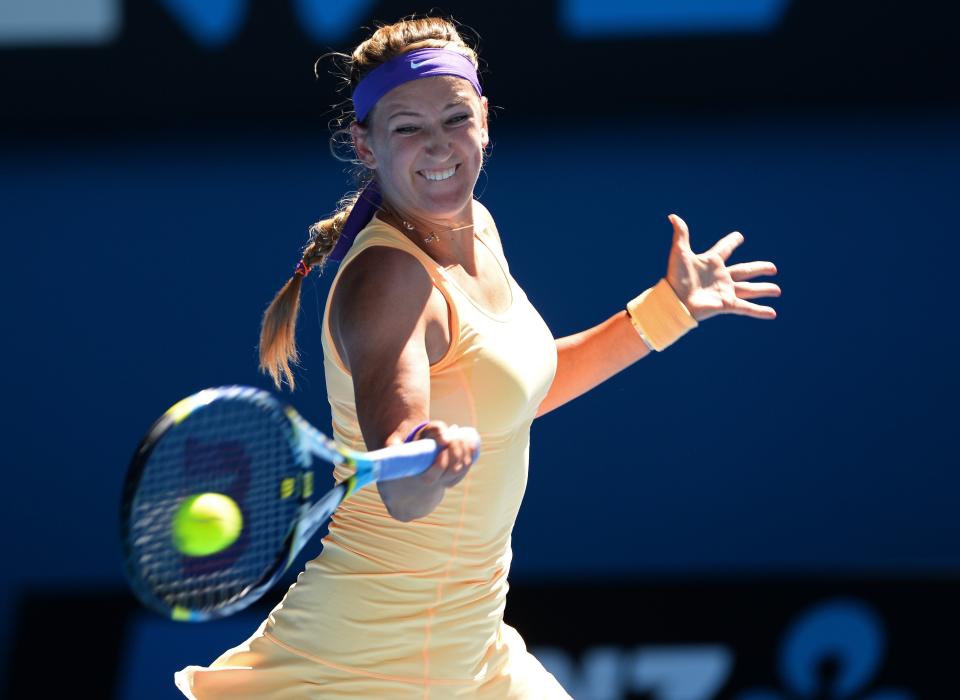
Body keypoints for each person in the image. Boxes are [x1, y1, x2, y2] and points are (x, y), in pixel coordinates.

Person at [174, 15, 780, 699]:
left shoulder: (476, 227)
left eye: (455, 117)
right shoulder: (388, 281)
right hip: (371, 663)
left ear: (484, 120)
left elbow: (511, 397)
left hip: (473, 643)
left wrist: (668, 308)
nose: (438, 145)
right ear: (364, 145)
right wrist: (426, 454)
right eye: (406, 127)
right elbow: (403, 482)